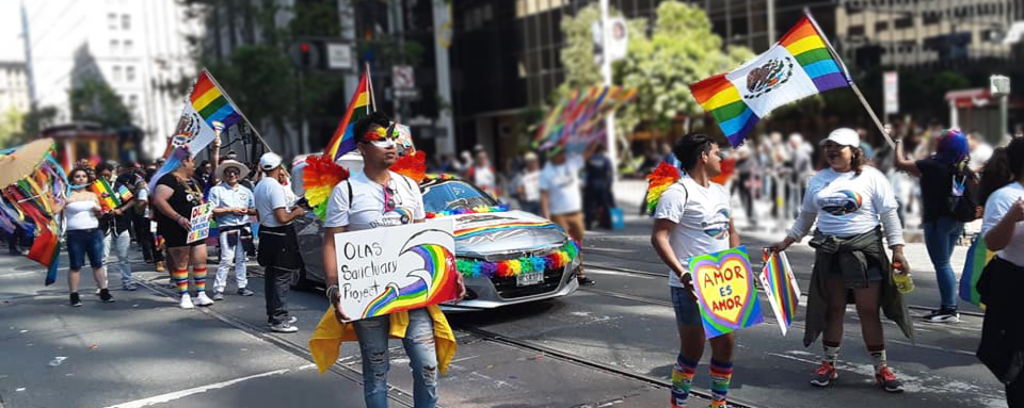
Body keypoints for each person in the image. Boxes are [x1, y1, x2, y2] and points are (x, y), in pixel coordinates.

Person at [318, 112, 466, 408]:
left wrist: (451, 273)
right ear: (362, 147)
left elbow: (425, 238)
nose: (390, 145)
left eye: (393, 138)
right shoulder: (346, 191)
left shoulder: (410, 187)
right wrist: (333, 287)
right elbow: (332, 242)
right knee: (376, 370)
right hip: (368, 298)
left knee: (427, 366)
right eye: (379, 138)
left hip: (413, 293)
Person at [769, 128, 912, 393]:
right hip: (830, 254)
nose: (832, 151)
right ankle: (828, 364)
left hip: (865, 254)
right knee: (833, 309)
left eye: (838, 146)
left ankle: (881, 368)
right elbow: (806, 217)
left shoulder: (872, 177)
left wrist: (898, 251)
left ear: (854, 151)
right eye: (828, 146)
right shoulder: (819, 180)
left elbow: (889, 216)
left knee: (868, 310)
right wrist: (786, 242)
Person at [651, 134, 740, 408]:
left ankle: (719, 404)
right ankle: (678, 404)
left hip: (722, 283)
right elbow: (660, 237)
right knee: (693, 350)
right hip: (690, 286)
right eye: (716, 153)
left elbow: (731, 232)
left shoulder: (720, 191)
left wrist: (738, 264)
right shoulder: (678, 193)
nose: (721, 158)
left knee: (726, 345)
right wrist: (683, 273)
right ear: (703, 156)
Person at [894, 128, 975, 323]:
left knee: (941, 264)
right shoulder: (963, 168)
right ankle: (948, 306)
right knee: (944, 262)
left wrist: (898, 141)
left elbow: (900, 163)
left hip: (937, 220)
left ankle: (949, 308)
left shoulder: (930, 165)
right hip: (956, 219)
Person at [976, 137, 1024, 407]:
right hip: (1016, 286)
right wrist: (1012, 218)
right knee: (1018, 365)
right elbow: (993, 243)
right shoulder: (1005, 197)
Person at [150, 147, 214, 309]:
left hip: (196, 226)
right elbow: (159, 201)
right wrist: (178, 217)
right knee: (181, 260)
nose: (194, 165)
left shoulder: (194, 181)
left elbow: (200, 199)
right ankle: (184, 294)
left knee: (200, 258)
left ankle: (200, 293)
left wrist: (206, 212)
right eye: (192, 161)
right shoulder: (168, 180)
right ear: (184, 162)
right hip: (176, 226)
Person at [254, 152, 304, 333]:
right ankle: (279, 318)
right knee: (282, 277)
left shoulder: (259, 185)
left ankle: (273, 314)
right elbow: (282, 217)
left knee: (271, 276)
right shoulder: (274, 187)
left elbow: (259, 214)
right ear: (279, 167)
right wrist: (296, 213)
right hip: (280, 235)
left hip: (266, 232)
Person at [540, 143, 599, 286]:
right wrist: (546, 217)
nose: (562, 155)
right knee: (564, 246)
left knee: (578, 244)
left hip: (575, 212)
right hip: (558, 214)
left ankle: (580, 274)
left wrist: (596, 140)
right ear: (552, 156)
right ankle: (563, 275)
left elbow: (587, 154)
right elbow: (544, 196)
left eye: (563, 152)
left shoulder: (572, 164)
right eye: (559, 153)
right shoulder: (547, 172)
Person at [63, 168, 114, 306]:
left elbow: (100, 214)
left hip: (94, 232)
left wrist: (99, 211)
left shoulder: (93, 195)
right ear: (72, 179)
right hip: (75, 234)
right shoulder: (66, 195)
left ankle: (104, 291)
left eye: (84, 176)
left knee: (97, 263)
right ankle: (74, 295)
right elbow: (54, 211)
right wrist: (63, 202)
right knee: (75, 265)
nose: (81, 178)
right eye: (77, 176)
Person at [208, 160, 257, 301]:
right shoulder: (217, 190)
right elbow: (212, 209)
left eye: (235, 172)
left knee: (242, 259)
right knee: (226, 259)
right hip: (227, 228)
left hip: (244, 227)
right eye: (229, 172)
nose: (232, 175)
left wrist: (246, 211)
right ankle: (218, 289)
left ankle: (242, 286)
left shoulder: (246, 191)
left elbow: (254, 210)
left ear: (239, 175)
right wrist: (230, 210)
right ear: (224, 174)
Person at [96, 162, 137, 291]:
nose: (105, 178)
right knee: (103, 258)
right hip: (103, 226)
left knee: (123, 256)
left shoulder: (119, 186)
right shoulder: (95, 188)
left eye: (107, 175)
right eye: (102, 175)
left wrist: (121, 209)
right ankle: (102, 285)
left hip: (121, 224)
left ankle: (127, 281)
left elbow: (132, 200)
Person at [584, 144, 615, 230]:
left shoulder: (590, 159)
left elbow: (585, 170)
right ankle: (608, 223)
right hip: (602, 185)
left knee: (589, 205)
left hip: (591, 184)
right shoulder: (605, 160)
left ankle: (588, 224)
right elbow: (609, 172)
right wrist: (609, 184)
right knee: (605, 205)